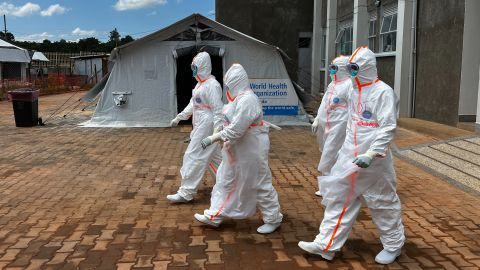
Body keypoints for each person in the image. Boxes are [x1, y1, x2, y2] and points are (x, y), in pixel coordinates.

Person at [298, 47, 405, 265]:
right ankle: (326, 244)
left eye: (355, 69)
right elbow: (336, 104)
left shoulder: (383, 92)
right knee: (339, 197)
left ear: (366, 68)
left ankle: (394, 245)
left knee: (382, 202)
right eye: (350, 69)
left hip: (374, 161)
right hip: (350, 154)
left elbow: (387, 128)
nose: (352, 73)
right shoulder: (353, 90)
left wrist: (372, 153)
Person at [194, 63, 282, 234]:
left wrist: (214, 137)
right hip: (235, 147)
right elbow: (230, 122)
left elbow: (238, 128)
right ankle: (215, 215)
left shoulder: (248, 99)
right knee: (225, 179)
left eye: (230, 85)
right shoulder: (236, 99)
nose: (228, 89)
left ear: (237, 83)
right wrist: (219, 131)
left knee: (259, 182)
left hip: (251, 146)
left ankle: (273, 218)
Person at [167, 52, 223, 203]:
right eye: (192, 67)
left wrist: (217, 131)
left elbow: (218, 109)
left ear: (202, 67)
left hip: (208, 124)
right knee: (216, 159)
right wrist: (180, 117)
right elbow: (193, 104)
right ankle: (229, 185)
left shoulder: (212, 85)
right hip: (201, 123)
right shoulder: (200, 85)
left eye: (195, 67)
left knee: (193, 156)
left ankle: (186, 192)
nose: (193, 70)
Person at [311, 55, 352, 196]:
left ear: (341, 68)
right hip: (326, 124)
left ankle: (328, 188)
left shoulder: (349, 85)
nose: (331, 71)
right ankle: (330, 186)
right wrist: (317, 118)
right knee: (328, 153)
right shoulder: (332, 84)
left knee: (330, 154)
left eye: (334, 68)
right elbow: (324, 102)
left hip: (339, 125)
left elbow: (353, 108)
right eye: (331, 68)